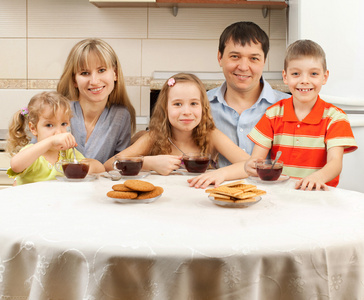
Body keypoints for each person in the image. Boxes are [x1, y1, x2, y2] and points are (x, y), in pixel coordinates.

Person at [245, 39, 358, 191]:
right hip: (281, 194)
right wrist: (250, 165)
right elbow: (256, 160)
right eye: (296, 73)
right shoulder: (272, 114)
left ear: (324, 77)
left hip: (318, 196)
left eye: (313, 74)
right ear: (285, 77)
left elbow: (335, 163)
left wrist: (318, 177)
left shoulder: (335, 118)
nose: (304, 81)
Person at [104, 73, 250, 188]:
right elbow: (109, 165)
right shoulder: (154, 137)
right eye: (177, 104)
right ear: (165, 109)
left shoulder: (210, 135)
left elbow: (249, 165)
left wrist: (222, 174)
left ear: (203, 107)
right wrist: (147, 163)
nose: (186, 111)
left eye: (193, 103)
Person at [207, 21, 289, 167]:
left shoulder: (289, 107)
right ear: (220, 58)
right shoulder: (200, 105)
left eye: (254, 58)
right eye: (235, 56)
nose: (244, 67)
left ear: (264, 61)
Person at [57, 38, 136, 164]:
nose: (94, 81)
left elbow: (119, 167)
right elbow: (34, 154)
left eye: (101, 70)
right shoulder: (59, 112)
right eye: (84, 73)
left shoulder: (121, 116)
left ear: (115, 73)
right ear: (74, 80)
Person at [7, 91, 105, 185]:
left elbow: (100, 168)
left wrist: (85, 167)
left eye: (63, 124)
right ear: (33, 128)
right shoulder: (33, 153)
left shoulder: (67, 154)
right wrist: (50, 141)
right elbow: (15, 165)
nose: (59, 132)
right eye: (49, 125)